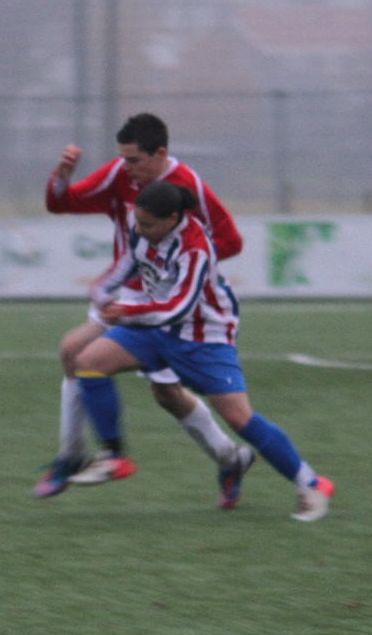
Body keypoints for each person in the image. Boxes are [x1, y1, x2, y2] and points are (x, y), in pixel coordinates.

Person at [69, 180, 334, 522]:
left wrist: (128, 311)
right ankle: (114, 456)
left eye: (147, 224)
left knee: (239, 417)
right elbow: (128, 262)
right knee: (89, 363)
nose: (139, 229)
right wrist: (102, 290)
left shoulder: (195, 247)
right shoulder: (142, 228)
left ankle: (311, 483)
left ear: (172, 219)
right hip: (154, 327)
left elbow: (178, 307)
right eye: (137, 221)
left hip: (203, 335)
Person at [34, 113, 254, 505]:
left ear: (160, 154)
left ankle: (228, 458)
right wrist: (62, 176)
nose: (126, 168)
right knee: (76, 353)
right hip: (126, 297)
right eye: (123, 158)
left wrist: (178, 268)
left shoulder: (188, 185)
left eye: (134, 160)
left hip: (168, 306)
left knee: (165, 393)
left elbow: (230, 241)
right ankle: (74, 455)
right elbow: (62, 202)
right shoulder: (118, 174)